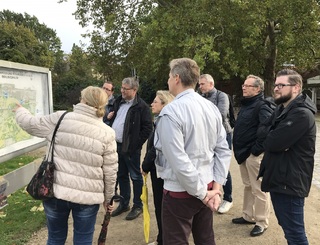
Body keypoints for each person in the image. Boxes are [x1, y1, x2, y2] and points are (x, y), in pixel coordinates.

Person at [14, 86, 118, 245]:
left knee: (55, 238)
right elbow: (110, 171)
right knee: (83, 240)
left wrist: (21, 111)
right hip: (88, 197)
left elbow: (30, 124)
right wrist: (109, 198)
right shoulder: (107, 132)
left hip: (56, 191)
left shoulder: (60, 118)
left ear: (83, 100)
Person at [154, 58, 231, 244]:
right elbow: (223, 150)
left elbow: (178, 161)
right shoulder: (210, 107)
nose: (167, 80)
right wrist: (215, 188)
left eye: (169, 76)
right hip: (206, 186)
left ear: (177, 78)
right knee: (205, 239)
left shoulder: (171, 112)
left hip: (183, 192)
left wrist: (209, 192)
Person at [258, 69, 317, 244]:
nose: (276, 88)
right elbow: (261, 133)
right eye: (276, 85)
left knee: (295, 234)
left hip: (289, 182)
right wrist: (273, 136)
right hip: (279, 178)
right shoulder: (281, 109)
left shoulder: (301, 114)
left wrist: (272, 138)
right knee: (288, 228)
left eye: (281, 85)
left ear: (296, 88)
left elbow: (271, 143)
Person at [232, 75, 273, 237]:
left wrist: (255, 151)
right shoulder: (247, 104)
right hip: (243, 154)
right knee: (248, 186)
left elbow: (268, 130)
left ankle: (262, 222)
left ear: (257, 89)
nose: (244, 87)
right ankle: (248, 215)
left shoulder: (262, 105)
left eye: (248, 86)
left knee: (259, 189)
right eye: (243, 85)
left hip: (253, 155)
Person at [109, 77, 153, 220]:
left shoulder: (142, 107)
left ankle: (137, 205)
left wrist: (136, 144)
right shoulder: (118, 101)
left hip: (131, 148)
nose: (122, 91)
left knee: (135, 176)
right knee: (121, 175)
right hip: (116, 145)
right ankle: (124, 203)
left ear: (134, 90)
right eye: (121, 87)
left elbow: (147, 128)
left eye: (125, 89)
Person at [141, 90, 174, 245]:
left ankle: (163, 239)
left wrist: (145, 165)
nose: (151, 104)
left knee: (162, 205)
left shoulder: (164, 121)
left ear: (164, 104)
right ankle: (163, 237)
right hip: (160, 169)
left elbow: (156, 148)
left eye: (155, 101)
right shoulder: (160, 120)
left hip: (160, 170)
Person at [198, 73, 234, 214]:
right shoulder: (199, 97)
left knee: (223, 166)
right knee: (208, 164)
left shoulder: (221, 96)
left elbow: (221, 114)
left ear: (211, 84)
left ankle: (228, 198)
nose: (200, 87)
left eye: (202, 84)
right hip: (206, 136)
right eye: (199, 84)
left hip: (223, 135)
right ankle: (211, 195)